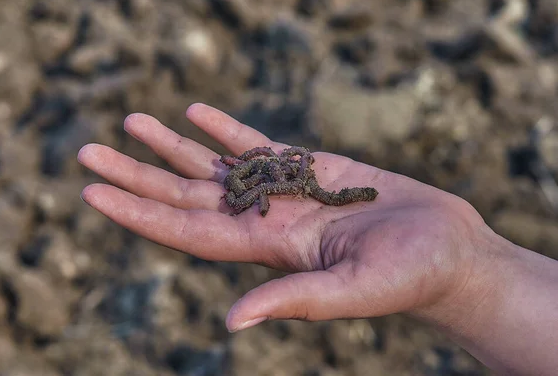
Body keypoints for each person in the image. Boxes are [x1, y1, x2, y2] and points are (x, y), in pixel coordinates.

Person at [77, 103, 558, 376]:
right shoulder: (268, 176)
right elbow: (262, 175)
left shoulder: (297, 180)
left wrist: (472, 271)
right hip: (264, 176)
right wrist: (476, 271)